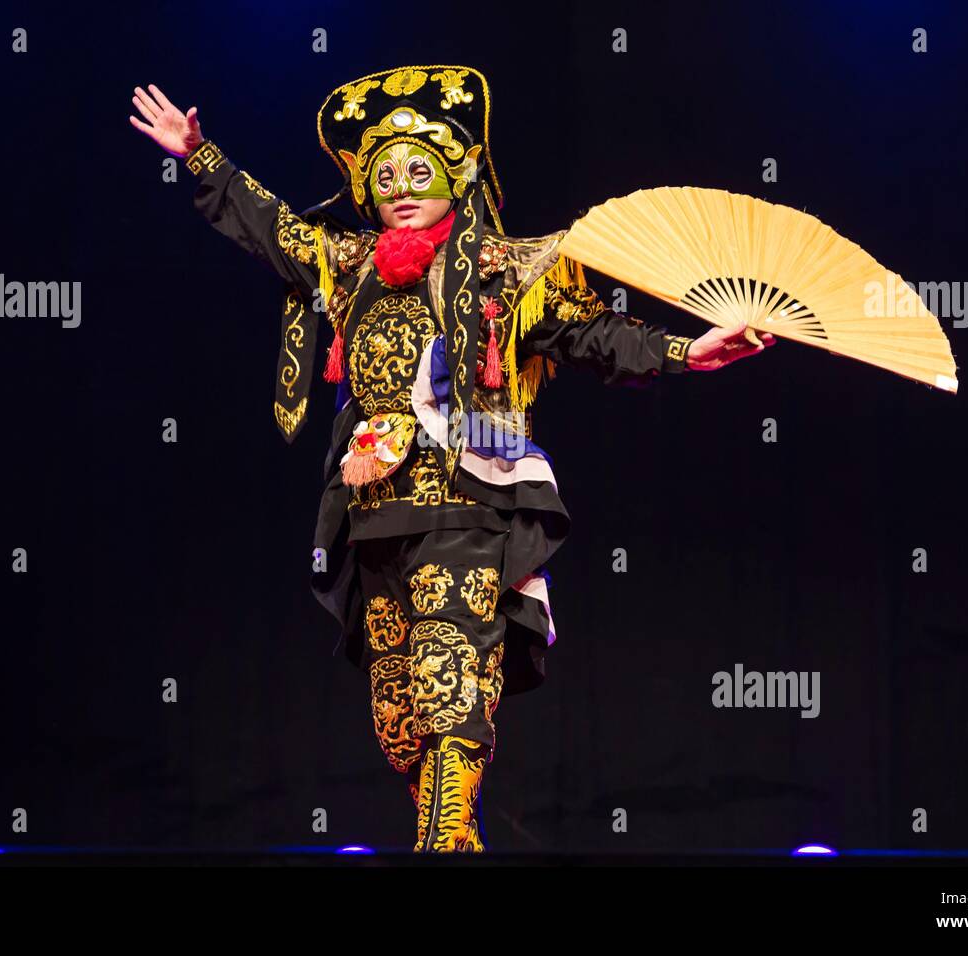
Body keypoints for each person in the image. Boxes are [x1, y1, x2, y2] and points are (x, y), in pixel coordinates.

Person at [130, 66, 774, 852]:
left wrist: (685, 349)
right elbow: (271, 228)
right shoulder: (350, 262)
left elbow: (593, 332)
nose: (401, 186)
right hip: (374, 516)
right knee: (398, 717)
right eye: (386, 174)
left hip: (470, 506)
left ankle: (441, 846)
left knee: (449, 682)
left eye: (420, 170)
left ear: (457, 175)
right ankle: (454, 835)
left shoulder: (507, 268)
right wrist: (200, 154)